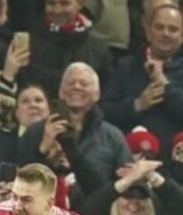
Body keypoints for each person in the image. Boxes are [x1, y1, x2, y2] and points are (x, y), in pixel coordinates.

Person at [100, 3, 183, 149]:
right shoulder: (126, 66)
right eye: (159, 27)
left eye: (173, 29)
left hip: (175, 154)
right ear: (148, 32)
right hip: (129, 154)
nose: (165, 33)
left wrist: (164, 83)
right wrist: (136, 105)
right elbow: (103, 112)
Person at [16, 62, 132, 198]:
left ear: (97, 94)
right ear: (60, 91)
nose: (76, 87)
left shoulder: (112, 136)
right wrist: (43, 148)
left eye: (83, 84)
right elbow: (20, 181)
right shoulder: (35, 131)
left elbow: (125, 186)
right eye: (70, 83)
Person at [18, 0, 113, 97]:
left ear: (80, 3)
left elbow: (106, 94)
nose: (57, 10)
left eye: (64, 3)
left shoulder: (98, 49)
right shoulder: (29, 45)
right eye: (51, 3)